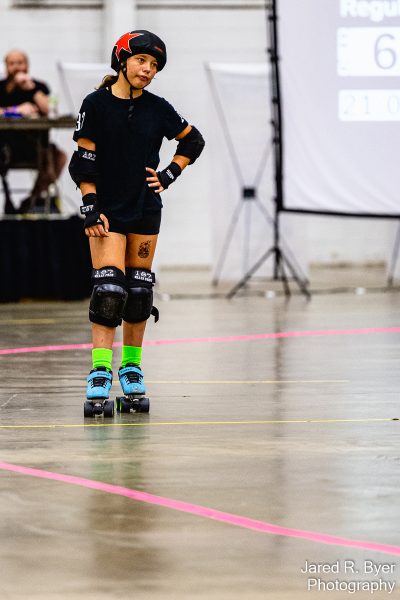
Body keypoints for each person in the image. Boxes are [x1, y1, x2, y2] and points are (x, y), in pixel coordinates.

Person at [68, 30, 205, 406]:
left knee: (139, 291)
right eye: (142, 60)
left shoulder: (158, 108)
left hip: (145, 208)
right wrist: (90, 206)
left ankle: (131, 367)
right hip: (107, 210)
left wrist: (169, 174)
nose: (148, 69)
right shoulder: (95, 104)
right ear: (122, 60)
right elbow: (84, 162)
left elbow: (193, 140)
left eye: (154, 65)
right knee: (109, 290)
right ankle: (100, 370)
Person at [0, 49, 67, 213]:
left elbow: (49, 109)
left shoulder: (39, 86)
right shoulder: (1, 87)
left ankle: (32, 199)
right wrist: (16, 111)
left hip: (35, 147)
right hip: (6, 147)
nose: (16, 67)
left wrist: (32, 89)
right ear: (6, 66)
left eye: (20, 63)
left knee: (59, 158)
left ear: (27, 65)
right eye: (12, 63)